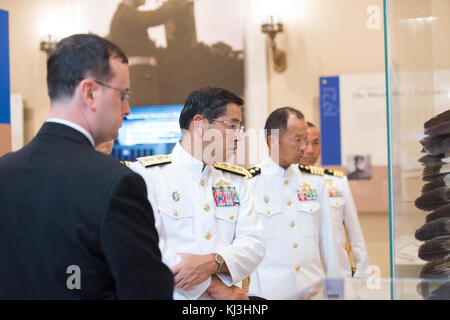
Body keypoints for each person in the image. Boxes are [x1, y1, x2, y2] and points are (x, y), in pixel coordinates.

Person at [0, 34, 173, 299]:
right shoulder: (116, 183)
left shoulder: (5, 171)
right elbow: (147, 292)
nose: (127, 109)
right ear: (90, 92)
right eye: (123, 94)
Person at [130, 87, 265, 300]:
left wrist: (213, 262)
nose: (238, 137)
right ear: (200, 124)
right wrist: (213, 286)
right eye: (232, 126)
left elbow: (254, 244)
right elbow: (149, 249)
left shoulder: (236, 180)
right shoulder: (147, 175)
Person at [246, 107, 342, 300]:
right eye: (297, 140)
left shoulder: (315, 182)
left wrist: (337, 292)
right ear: (273, 141)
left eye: (305, 139)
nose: (305, 148)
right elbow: (247, 250)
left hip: (313, 290)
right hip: (270, 294)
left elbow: (330, 242)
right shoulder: (249, 184)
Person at [301, 122, 370, 278]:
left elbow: (355, 233)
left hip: (338, 275)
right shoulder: (287, 184)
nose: (310, 150)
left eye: (316, 143)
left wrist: (362, 275)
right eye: (305, 143)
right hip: (304, 279)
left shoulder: (337, 182)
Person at [108, 0, 188, 106]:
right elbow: (158, 16)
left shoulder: (123, 14)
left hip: (140, 76)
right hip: (139, 77)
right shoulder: (125, 15)